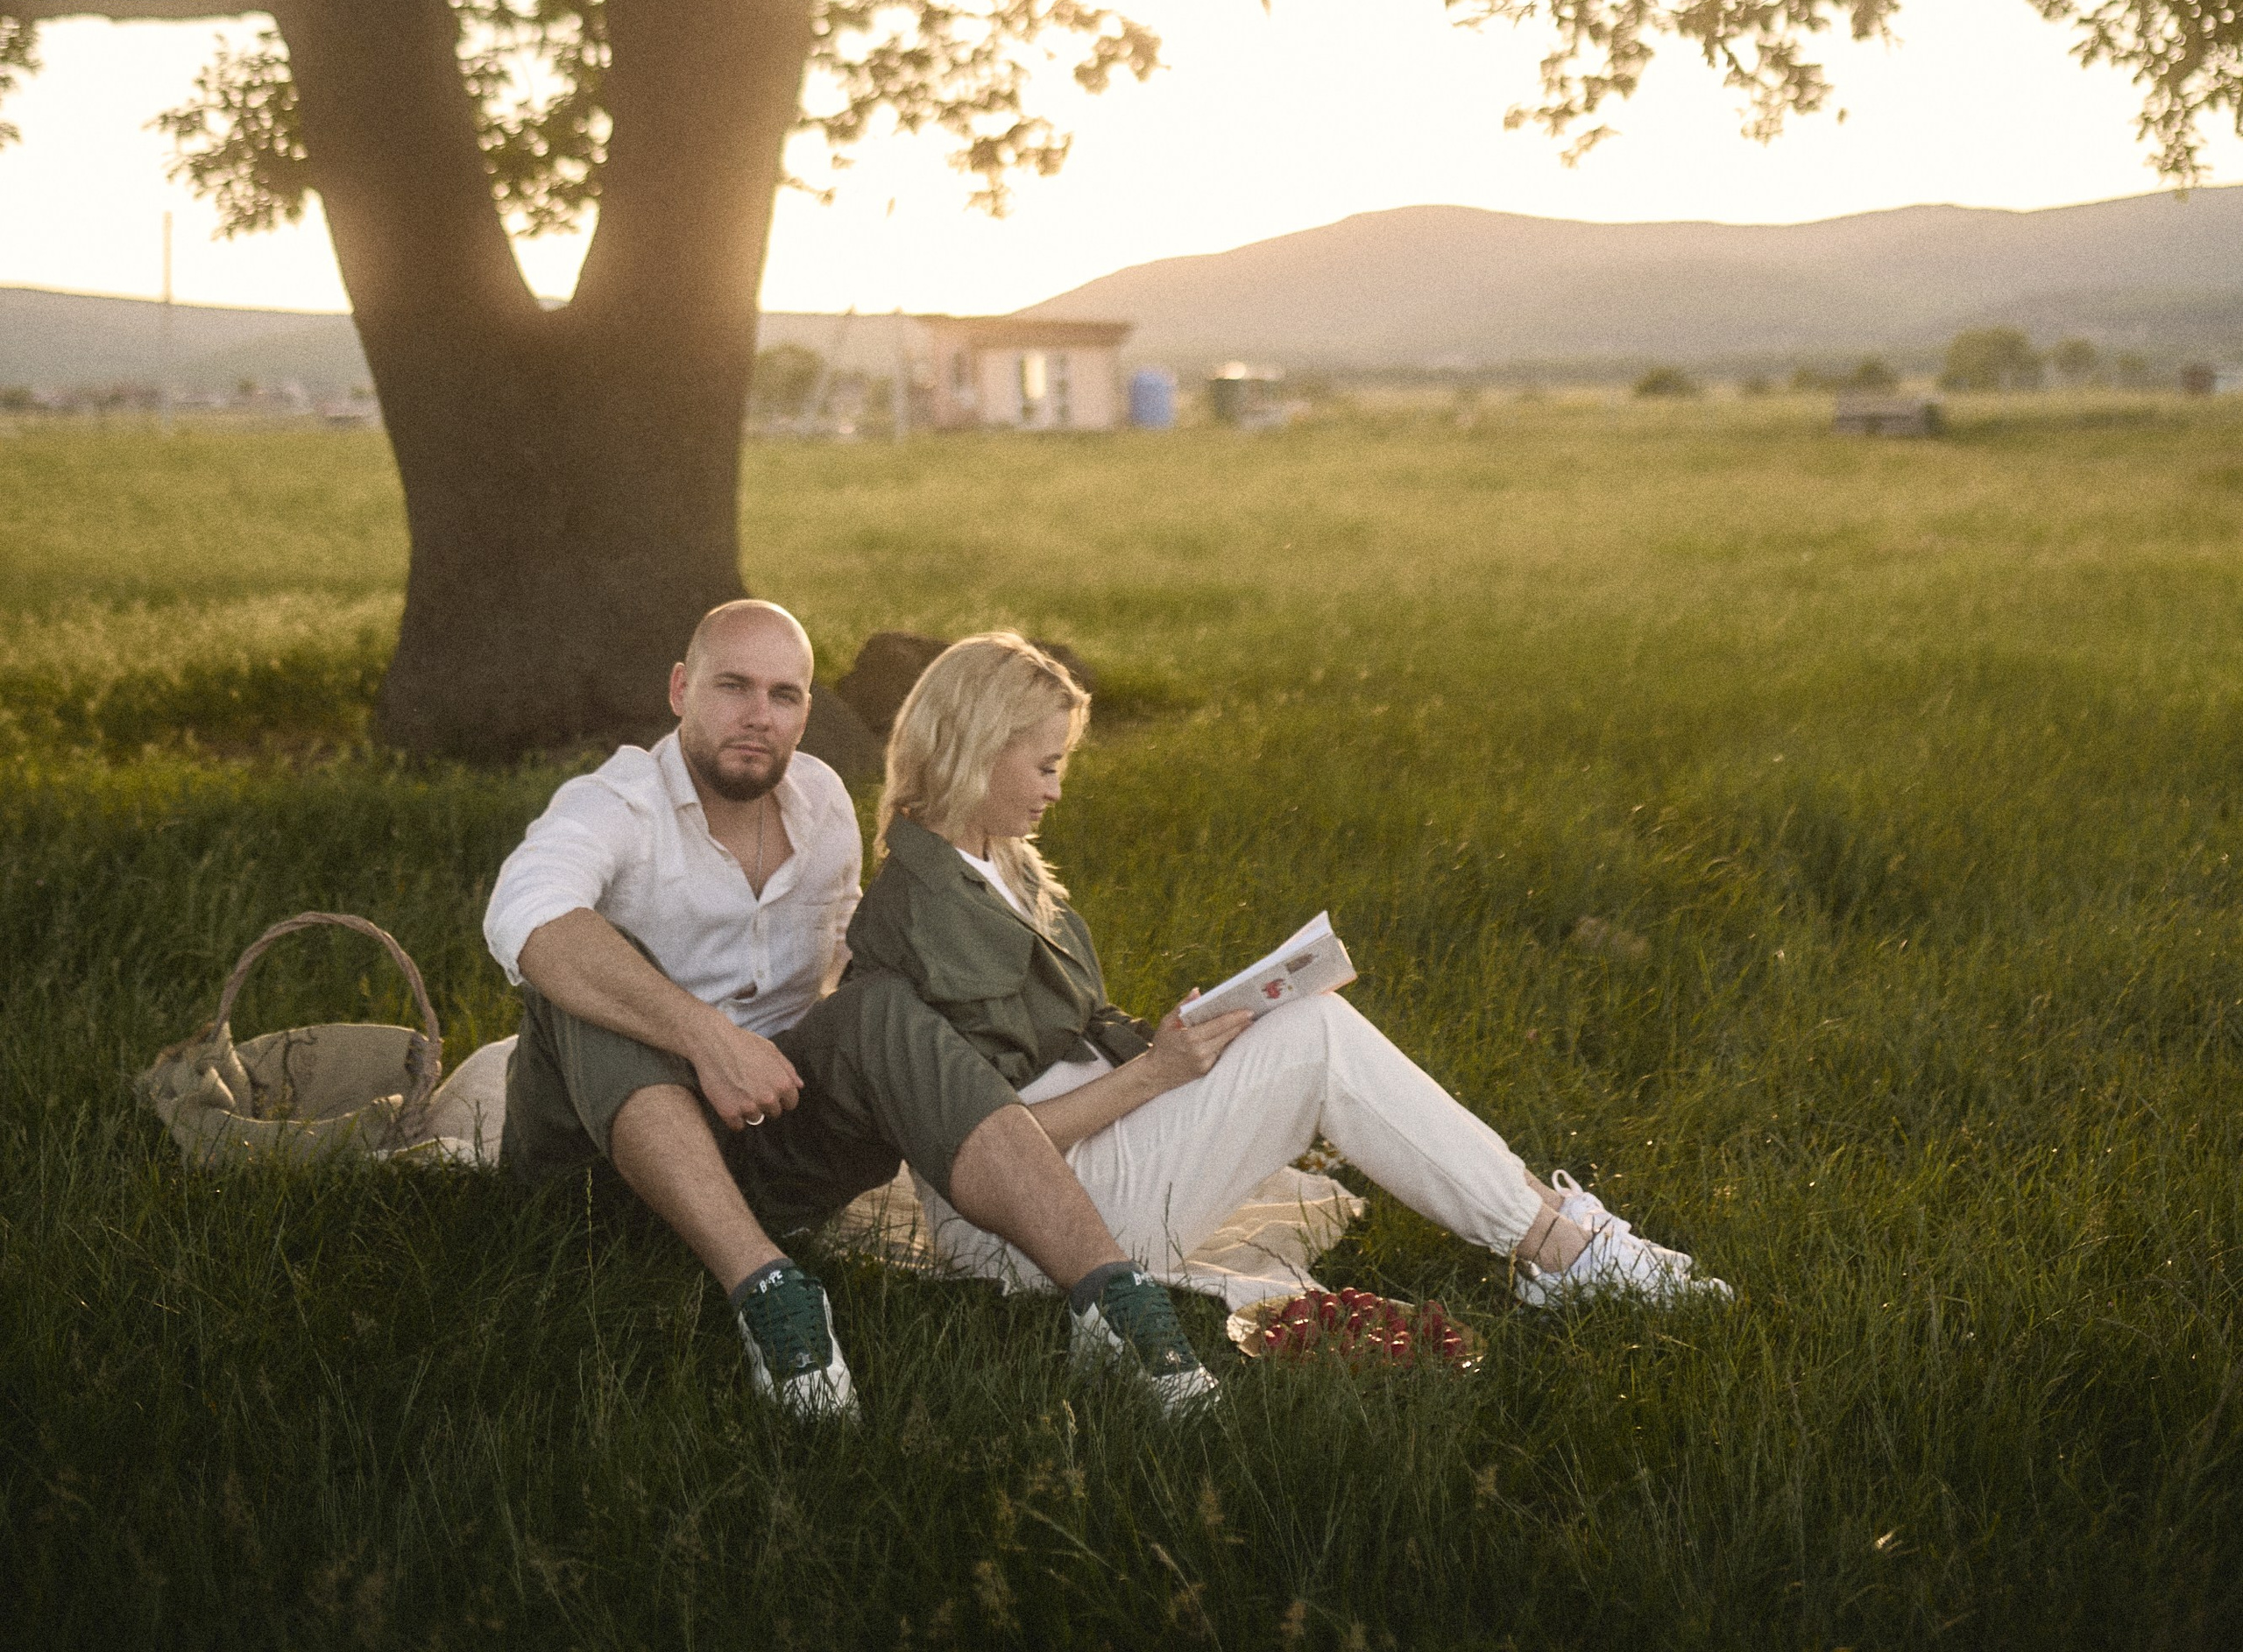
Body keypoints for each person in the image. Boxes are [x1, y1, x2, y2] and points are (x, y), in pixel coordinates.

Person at [837, 632, 1730, 1408]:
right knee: (1315, 1037)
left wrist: (1163, 1041)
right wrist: (1155, 1073)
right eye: (1046, 764)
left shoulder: (996, 860)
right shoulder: (916, 914)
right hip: (1043, 1225)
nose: (1057, 789)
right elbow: (988, 1142)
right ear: (977, 750)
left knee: (1300, 1015)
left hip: (1097, 1156)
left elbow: (1058, 1039)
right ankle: (1563, 1252)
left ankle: (1553, 1218)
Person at [484, 597, 1155, 1423]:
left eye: (785, 695)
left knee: (877, 1007)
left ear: (808, 708)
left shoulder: (822, 801)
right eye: (733, 687)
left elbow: (844, 967)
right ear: (680, 689)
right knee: (590, 973)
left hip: (769, 1151)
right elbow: (527, 919)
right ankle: (768, 1292)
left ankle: (1112, 1301)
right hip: (594, 1177)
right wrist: (705, 1038)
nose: (759, 718)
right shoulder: (613, 803)